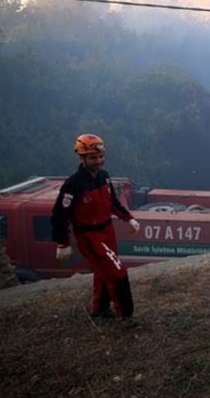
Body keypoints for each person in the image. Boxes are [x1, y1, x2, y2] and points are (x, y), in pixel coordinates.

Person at [51, 134, 141, 327]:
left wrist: (128, 218)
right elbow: (59, 214)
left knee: (103, 270)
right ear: (81, 158)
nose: (98, 161)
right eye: (93, 157)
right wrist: (63, 242)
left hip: (107, 230)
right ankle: (126, 315)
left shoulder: (104, 177)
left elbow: (112, 203)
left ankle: (99, 308)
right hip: (89, 235)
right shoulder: (73, 184)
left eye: (101, 156)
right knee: (117, 271)